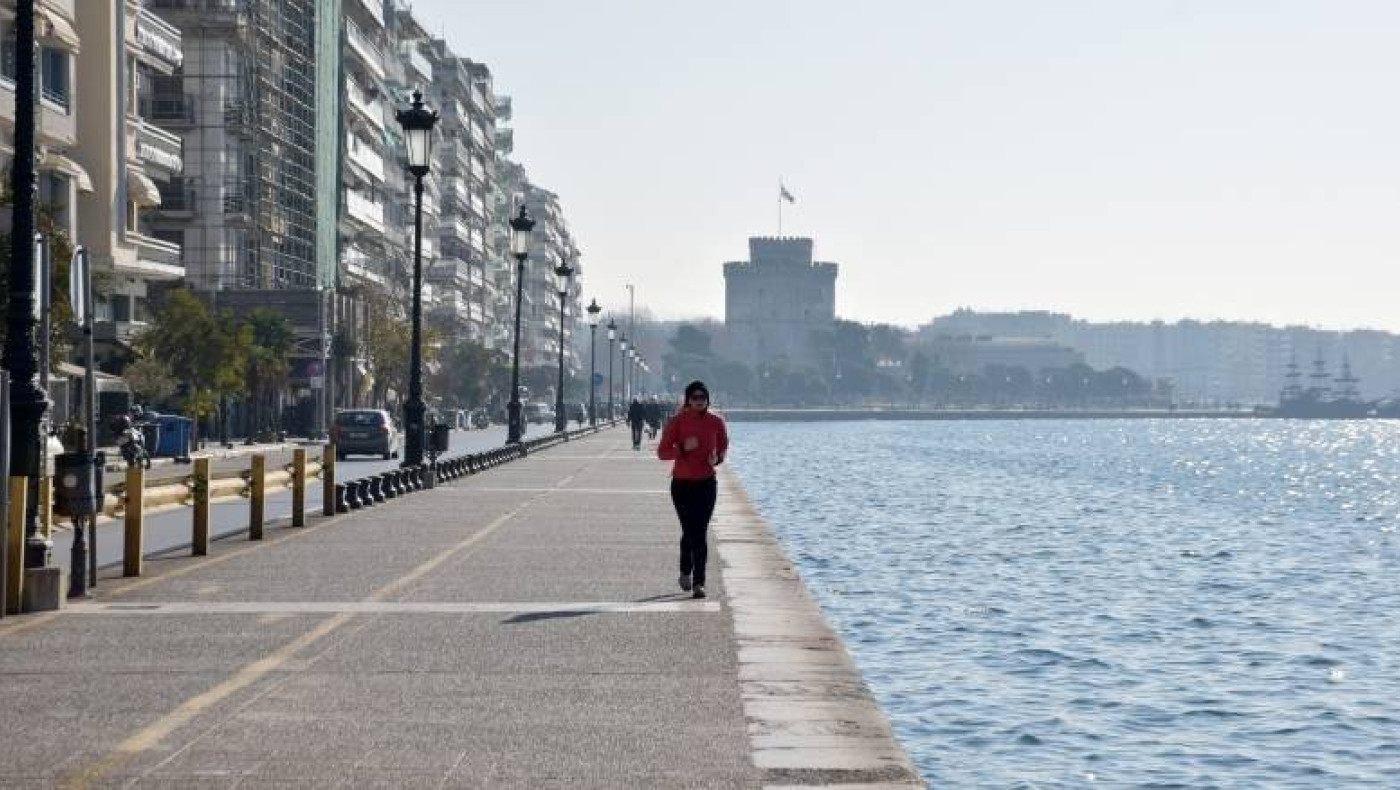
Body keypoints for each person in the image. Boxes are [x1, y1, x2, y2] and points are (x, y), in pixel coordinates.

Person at [657, 381, 728, 599]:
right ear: (688, 399)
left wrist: (717, 458)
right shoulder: (677, 421)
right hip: (681, 485)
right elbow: (662, 452)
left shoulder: (716, 421)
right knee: (689, 531)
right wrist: (681, 449)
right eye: (695, 397)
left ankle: (700, 583)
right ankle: (685, 570)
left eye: (703, 397)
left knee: (700, 531)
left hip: (706, 484)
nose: (699, 401)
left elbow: (724, 446)